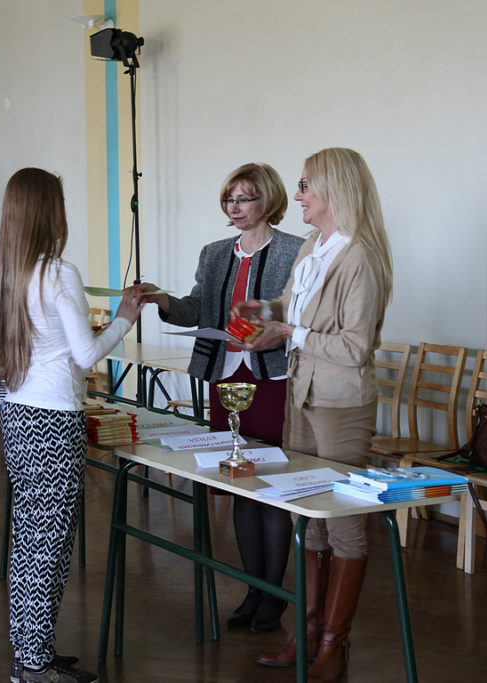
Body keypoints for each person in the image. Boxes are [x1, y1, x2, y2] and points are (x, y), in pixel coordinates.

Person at [234, 148, 392, 683]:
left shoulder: (360, 257)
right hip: (301, 392)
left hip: (341, 402)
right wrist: (266, 311)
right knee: (308, 516)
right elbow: (294, 307)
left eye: (305, 185)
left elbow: (354, 347)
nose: (297, 195)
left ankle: (334, 645)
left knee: (343, 525)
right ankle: (305, 633)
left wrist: (288, 333)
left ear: (334, 190)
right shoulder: (312, 245)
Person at [0, 168, 143, 683]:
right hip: (53, 421)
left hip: (18, 415)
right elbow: (86, 355)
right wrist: (125, 316)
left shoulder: (8, 272)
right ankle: (35, 665)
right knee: (49, 543)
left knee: (31, 539)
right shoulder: (57, 271)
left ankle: (31, 653)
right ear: (47, 211)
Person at [138, 162, 303, 632]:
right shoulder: (213, 253)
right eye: (229, 199)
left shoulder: (295, 249)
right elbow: (197, 307)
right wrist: (161, 299)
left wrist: (269, 326)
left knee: (270, 484)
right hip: (223, 377)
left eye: (245, 198)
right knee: (238, 485)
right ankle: (253, 590)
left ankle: (274, 597)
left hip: (270, 378)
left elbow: (301, 312)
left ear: (269, 200)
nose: (235, 207)